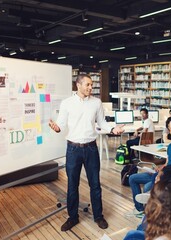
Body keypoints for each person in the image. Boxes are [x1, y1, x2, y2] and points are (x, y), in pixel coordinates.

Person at [49, 74, 124, 231]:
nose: (91, 87)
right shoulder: (67, 103)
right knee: (72, 185)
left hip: (91, 148)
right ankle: (72, 217)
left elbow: (102, 122)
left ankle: (98, 216)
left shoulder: (96, 103)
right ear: (78, 85)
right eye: (88, 84)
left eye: (92, 85)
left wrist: (112, 129)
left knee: (95, 184)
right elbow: (61, 124)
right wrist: (56, 128)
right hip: (73, 149)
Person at [128, 122, 171, 216]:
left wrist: (162, 175)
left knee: (147, 187)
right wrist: (159, 169)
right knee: (132, 178)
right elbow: (167, 163)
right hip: (161, 174)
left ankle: (148, 200)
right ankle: (140, 208)